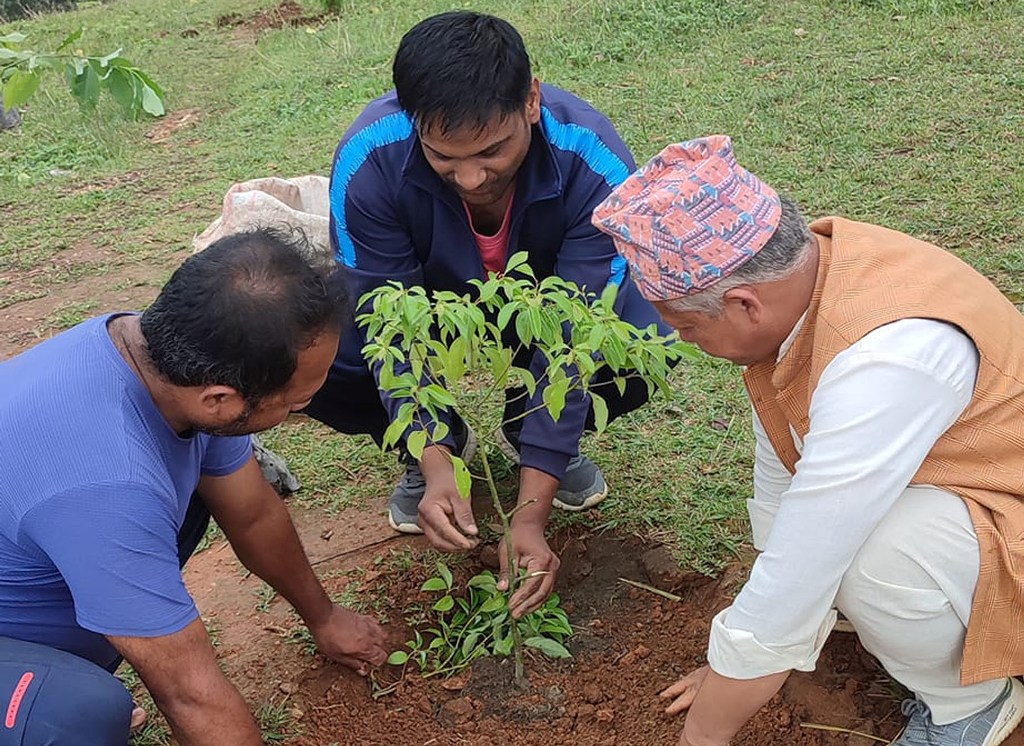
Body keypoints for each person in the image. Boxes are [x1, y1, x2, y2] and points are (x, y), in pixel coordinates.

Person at [591, 135, 1024, 746]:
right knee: (831, 555)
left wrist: (706, 729)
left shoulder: (886, 359)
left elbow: (810, 552)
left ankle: (970, 703)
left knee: (870, 555)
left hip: (1007, 511)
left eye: (686, 326)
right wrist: (737, 660)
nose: (685, 342)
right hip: (973, 490)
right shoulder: (812, 279)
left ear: (744, 304)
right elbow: (786, 467)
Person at [303, 10, 669, 618]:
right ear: (412, 121)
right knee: (322, 353)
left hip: (545, 306)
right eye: (444, 157)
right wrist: (432, 453)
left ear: (530, 100)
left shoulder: (592, 159)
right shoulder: (371, 158)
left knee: (637, 337)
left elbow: (575, 332)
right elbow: (388, 324)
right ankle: (443, 449)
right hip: (434, 305)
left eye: (492, 151)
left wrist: (530, 515)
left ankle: (538, 441)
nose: (471, 177)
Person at [0, 228, 388, 746]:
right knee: (74, 716)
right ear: (221, 400)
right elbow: (189, 694)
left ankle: (56, 666)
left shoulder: (168, 358)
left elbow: (252, 512)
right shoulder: (110, 484)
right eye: (296, 403)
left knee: (196, 499)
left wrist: (325, 616)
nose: (302, 413)